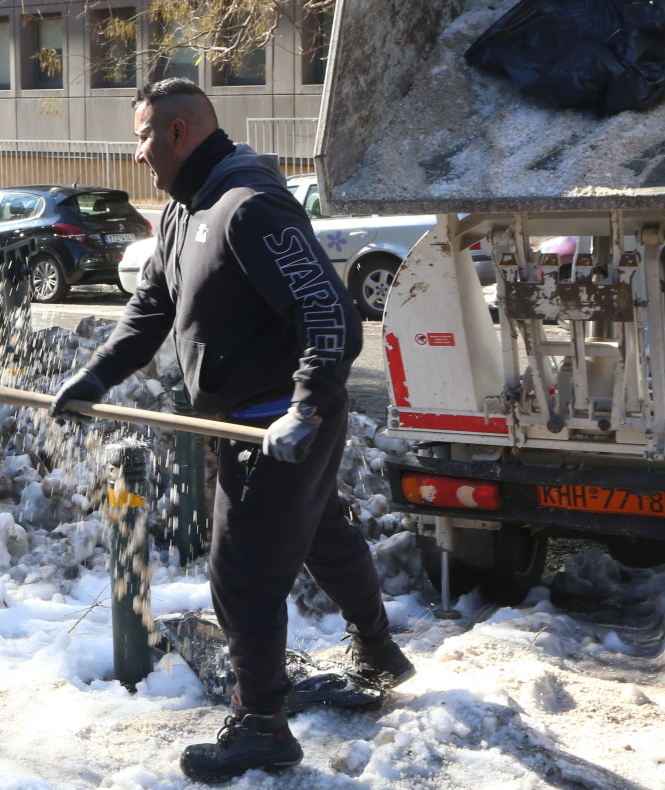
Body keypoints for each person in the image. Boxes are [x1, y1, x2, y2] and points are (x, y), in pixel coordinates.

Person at [51, 78, 414, 783]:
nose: (137, 154)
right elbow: (149, 313)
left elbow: (331, 314)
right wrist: (94, 377)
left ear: (181, 132)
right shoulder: (184, 214)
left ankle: (263, 726)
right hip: (254, 421)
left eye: (144, 136)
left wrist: (305, 408)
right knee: (320, 532)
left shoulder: (248, 207)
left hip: (276, 423)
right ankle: (377, 648)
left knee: (241, 576)